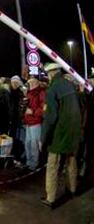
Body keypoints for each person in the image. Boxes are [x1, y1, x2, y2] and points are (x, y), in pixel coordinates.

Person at [40, 63, 81, 208]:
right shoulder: (70, 85)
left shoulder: (52, 89)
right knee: (71, 161)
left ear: (50, 74)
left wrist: (43, 138)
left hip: (59, 133)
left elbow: (50, 117)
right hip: (73, 131)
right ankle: (72, 189)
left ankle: (50, 198)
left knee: (53, 165)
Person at [23, 77, 45, 171]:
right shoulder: (28, 93)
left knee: (34, 144)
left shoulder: (41, 93)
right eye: (29, 82)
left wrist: (32, 111)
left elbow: (43, 108)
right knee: (27, 143)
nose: (30, 84)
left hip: (36, 122)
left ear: (37, 83)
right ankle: (29, 162)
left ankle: (34, 164)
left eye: (31, 82)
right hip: (28, 122)